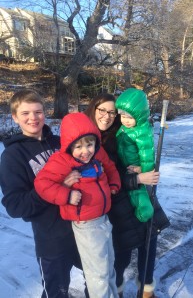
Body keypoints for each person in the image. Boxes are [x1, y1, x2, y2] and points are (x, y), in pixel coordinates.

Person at [0, 89, 88, 298]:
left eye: (38, 112)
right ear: (14, 117)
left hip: (82, 227)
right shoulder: (13, 155)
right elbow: (15, 205)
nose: (33, 118)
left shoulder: (60, 143)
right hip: (52, 238)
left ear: (45, 113)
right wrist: (58, 189)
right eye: (25, 113)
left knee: (96, 280)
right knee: (57, 292)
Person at [84, 93, 170, 298]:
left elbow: (137, 154)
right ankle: (118, 291)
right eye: (102, 110)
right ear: (92, 109)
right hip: (115, 209)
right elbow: (101, 179)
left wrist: (143, 166)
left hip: (136, 199)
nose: (108, 116)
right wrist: (137, 179)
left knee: (149, 241)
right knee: (120, 257)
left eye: (112, 112)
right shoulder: (86, 140)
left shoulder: (120, 132)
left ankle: (147, 288)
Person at [34, 112, 121, 298]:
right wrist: (66, 194)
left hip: (104, 219)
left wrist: (114, 184)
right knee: (98, 273)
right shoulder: (62, 161)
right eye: (79, 146)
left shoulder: (97, 154)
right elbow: (42, 184)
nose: (86, 151)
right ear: (69, 146)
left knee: (109, 267)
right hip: (87, 226)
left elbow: (111, 167)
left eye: (89, 144)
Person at [115, 88, 155, 222]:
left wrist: (143, 170)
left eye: (130, 117)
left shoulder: (142, 132)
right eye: (123, 116)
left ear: (140, 116)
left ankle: (145, 209)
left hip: (134, 166)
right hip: (126, 164)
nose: (125, 120)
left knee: (137, 190)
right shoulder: (125, 128)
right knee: (132, 191)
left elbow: (147, 153)